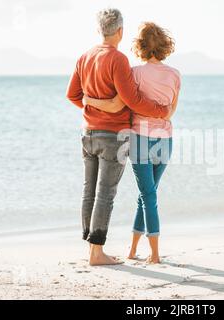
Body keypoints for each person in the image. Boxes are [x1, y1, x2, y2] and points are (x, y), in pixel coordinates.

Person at [66, 9, 171, 266]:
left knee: (88, 190)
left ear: (100, 30)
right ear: (120, 31)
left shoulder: (85, 57)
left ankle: (91, 249)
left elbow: (72, 95)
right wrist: (160, 111)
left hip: (87, 133)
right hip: (112, 135)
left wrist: (92, 104)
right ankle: (97, 252)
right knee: (105, 193)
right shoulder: (118, 59)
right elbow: (133, 100)